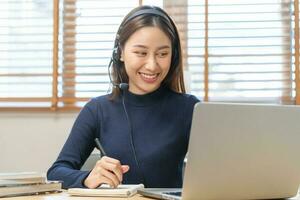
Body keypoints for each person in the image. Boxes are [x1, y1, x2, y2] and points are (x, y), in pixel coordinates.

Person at [47, 5, 199, 189]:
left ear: (173, 56)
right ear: (120, 53)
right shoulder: (97, 110)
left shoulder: (190, 108)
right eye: (141, 53)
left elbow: (221, 165)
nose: (152, 65)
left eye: (162, 54)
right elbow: (56, 172)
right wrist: (88, 178)